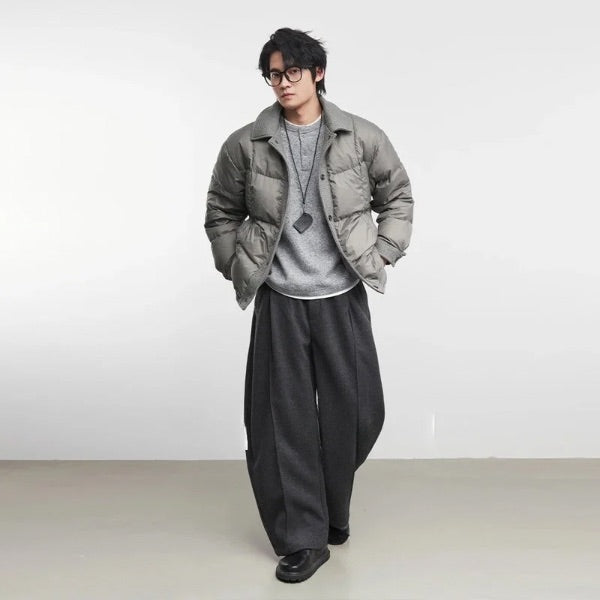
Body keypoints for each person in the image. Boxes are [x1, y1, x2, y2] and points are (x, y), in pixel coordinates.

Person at [205, 27, 414, 583]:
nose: (282, 83)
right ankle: (304, 536)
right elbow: (220, 211)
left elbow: (397, 196)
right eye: (273, 74)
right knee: (283, 424)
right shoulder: (245, 144)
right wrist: (238, 264)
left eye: (292, 71)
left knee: (360, 414)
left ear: (318, 73)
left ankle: (328, 507)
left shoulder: (360, 137)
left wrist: (383, 251)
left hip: (341, 296)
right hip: (280, 300)